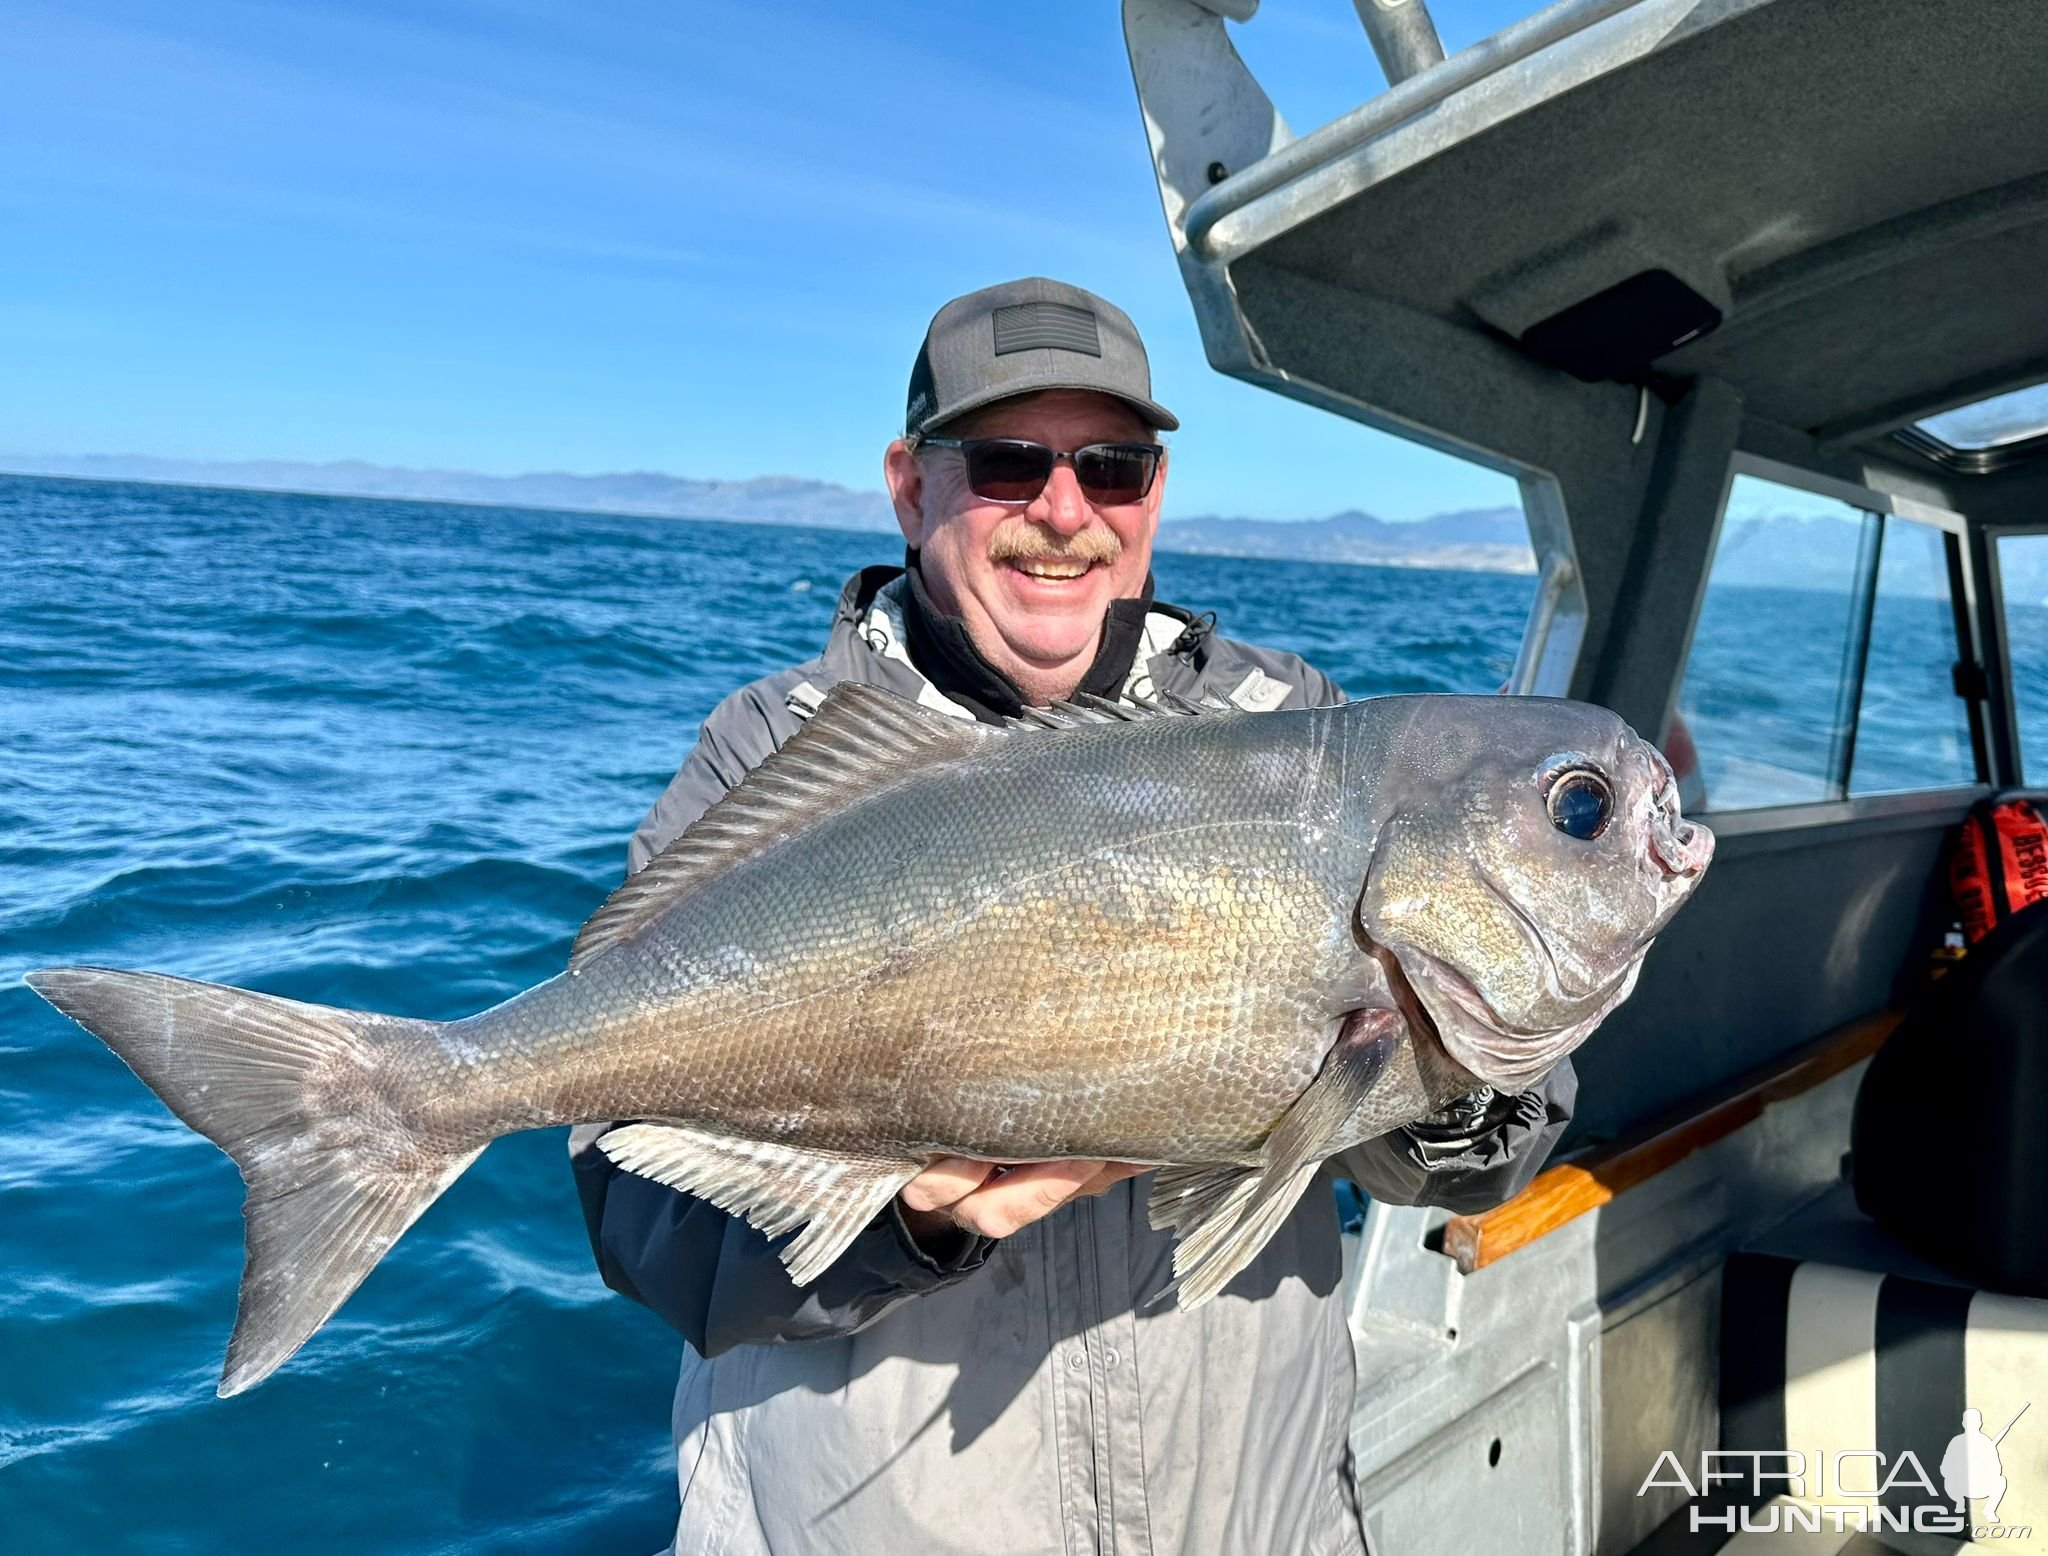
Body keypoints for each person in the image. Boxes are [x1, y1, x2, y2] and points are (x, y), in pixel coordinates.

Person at [569, 277, 1577, 1556]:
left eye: (1110, 465)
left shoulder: (1303, 732)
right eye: (1006, 462)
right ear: (907, 483)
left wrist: (1461, 1055)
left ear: (1152, 492)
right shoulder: (770, 754)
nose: (1063, 510)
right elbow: (648, 1230)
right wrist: (907, 1223)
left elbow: (1463, 1154)